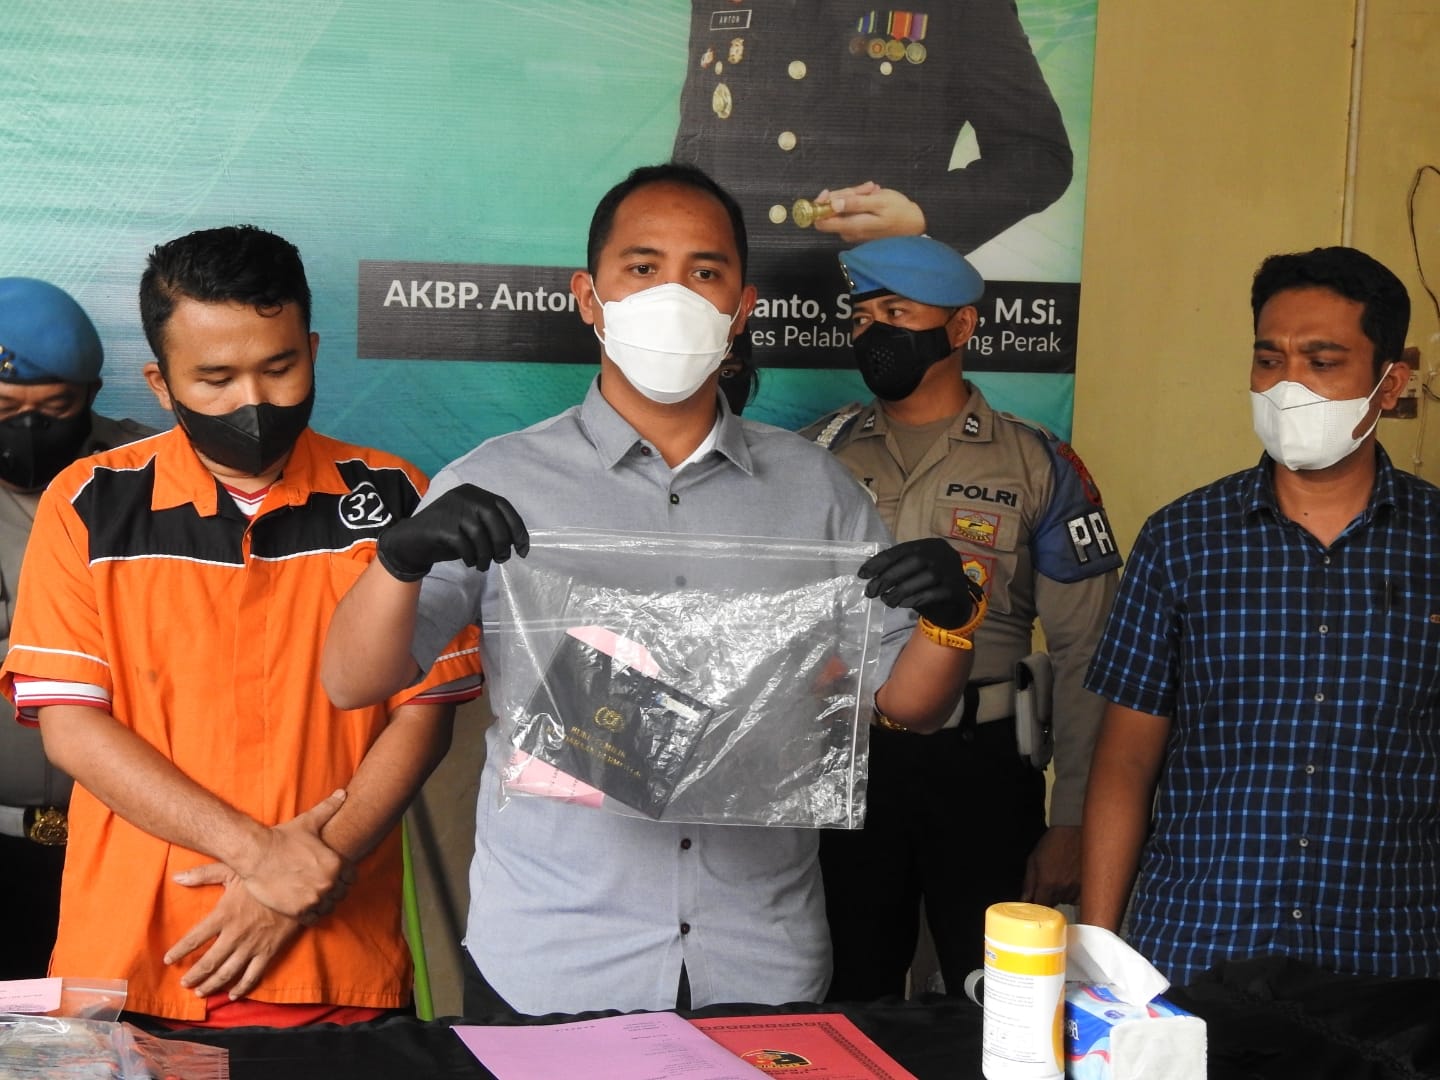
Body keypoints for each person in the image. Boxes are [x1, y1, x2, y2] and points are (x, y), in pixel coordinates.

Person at [322, 162, 985, 1017]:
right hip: (552, 956)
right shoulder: (496, 480)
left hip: (759, 957)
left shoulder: (815, 489)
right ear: (589, 297)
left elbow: (911, 706)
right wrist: (399, 561)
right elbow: (353, 681)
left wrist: (947, 621)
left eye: (704, 272)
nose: (672, 294)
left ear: (741, 308)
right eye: (642, 267)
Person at [0, 226, 482, 1025]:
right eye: (215, 379)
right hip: (130, 960)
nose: (252, 402)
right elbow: (72, 729)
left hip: (336, 955)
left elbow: (422, 714)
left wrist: (307, 875)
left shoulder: (395, 496)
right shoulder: (87, 503)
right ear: (161, 384)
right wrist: (263, 858)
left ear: (313, 351)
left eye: (279, 368)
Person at [1080, 246, 1438, 987]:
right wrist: (1098, 953)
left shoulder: (1432, 543)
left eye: (1323, 362)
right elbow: (1125, 762)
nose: (1288, 386)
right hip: (1199, 943)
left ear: (1390, 383)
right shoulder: (1182, 539)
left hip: (1390, 957)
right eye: (1270, 360)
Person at [804, 235, 1119, 1000]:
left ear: (962, 327)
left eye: (896, 313)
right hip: (846, 766)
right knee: (847, 996)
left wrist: (1073, 819)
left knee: (999, 1002)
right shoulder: (816, 456)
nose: (874, 333)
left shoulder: (1037, 464)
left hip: (982, 771)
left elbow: (1089, 653)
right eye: (862, 317)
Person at [672, 0, 1073, 316]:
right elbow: (699, 135)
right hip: (732, 310)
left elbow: (1039, 154)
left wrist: (924, 214)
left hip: (875, 308)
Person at [0, 278, 152, 979]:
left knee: (117, 1024)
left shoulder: (149, 474)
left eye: (55, 408)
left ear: (91, 393)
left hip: (130, 832)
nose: (29, 428)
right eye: (6, 409)